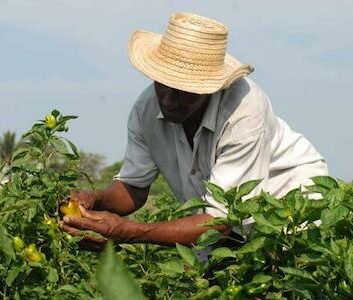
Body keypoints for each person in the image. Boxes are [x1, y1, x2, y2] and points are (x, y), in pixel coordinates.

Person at [60, 12, 328, 250]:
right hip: (220, 222)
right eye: (162, 84)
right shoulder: (146, 110)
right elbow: (133, 186)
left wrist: (130, 232)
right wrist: (96, 200)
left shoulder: (244, 109)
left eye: (184, 91)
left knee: (278, 278)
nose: (168, 99)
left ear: (211, 87)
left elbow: (222, 221)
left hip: (290, 203)